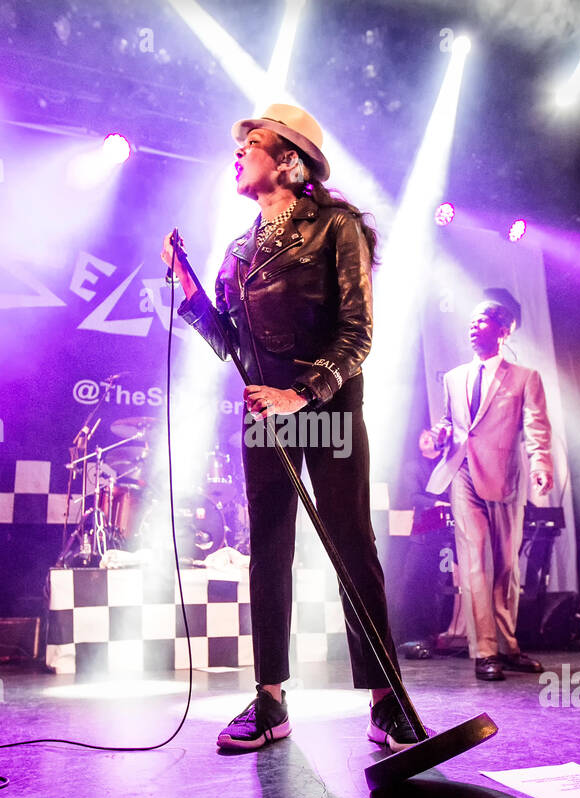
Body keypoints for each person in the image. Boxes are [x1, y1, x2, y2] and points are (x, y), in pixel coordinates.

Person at [161, 103, 422, 752]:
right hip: (265, 414)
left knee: (349, 545)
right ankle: (270, 702)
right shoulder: (239, 248)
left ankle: (387, 700)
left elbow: (358, 334)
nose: (237, 152)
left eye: (252, 142)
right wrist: (188, 286)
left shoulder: (337, 227)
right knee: (268, 549)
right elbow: (226, 340)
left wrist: (300, 393)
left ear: (289, 160)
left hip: (324, 406)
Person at [425, 296, 553, 681]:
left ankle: (508, 646)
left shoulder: (525, 377)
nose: (472, 326)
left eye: (481, 320)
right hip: (461, 473)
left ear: (504, 330)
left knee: (507, 566)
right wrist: (437, 435)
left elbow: (536, 426)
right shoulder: (453, 377)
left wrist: (541, 464)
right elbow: (450, 423)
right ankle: (484, 652)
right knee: (475, 560)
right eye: (471, 320)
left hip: (504, 478)